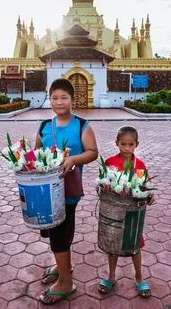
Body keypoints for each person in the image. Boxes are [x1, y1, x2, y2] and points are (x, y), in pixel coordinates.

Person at [35, 78, 98, 304]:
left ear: (73, 99)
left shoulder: (82, 125)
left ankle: (65, 283)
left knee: (60, 235)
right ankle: (65, 266)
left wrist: (72, 159)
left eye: (64, 98)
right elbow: (36, 154)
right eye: (54, 98)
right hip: (45, 192)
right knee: (53, 232)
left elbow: (92, 152)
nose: (59, 102)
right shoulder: (43, 126)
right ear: (49, 99)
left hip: (68, 191)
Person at [98, 125, 155, 298]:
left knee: (135, 246)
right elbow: (103, 182)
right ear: (117, 143)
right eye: (123, 144)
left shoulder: (140, 164)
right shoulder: (109, 162)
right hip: (114, 212)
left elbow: (146, 184)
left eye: (131, 144)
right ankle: (111, 276)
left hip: (132, 215)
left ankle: (138, 277)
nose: (127, 148)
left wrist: (150, 194)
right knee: (112, 246)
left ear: (137, 144)